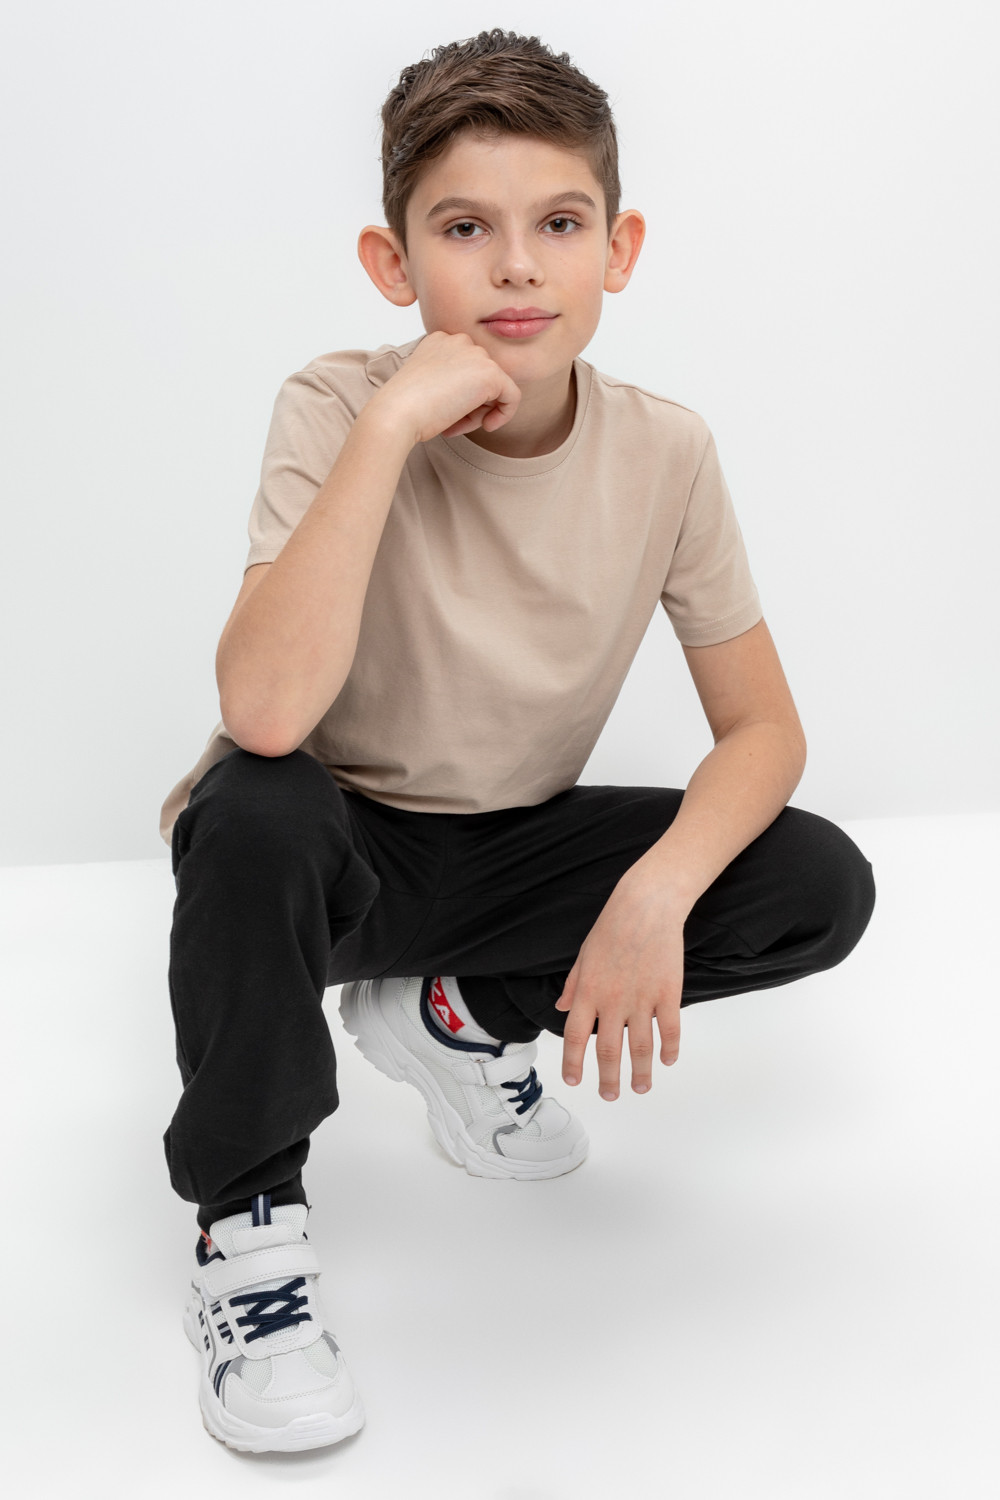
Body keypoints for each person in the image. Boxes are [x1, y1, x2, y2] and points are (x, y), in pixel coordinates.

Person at [160, 28, 876, 1454]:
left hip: (509, 845)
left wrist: (652, 896)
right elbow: (266, 713)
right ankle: (248, 1227)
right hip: (339, 856)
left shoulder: (667, 451)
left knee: (814, 880)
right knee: (251, 806)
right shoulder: (333, 404)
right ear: (394, 263)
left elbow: (763, 731)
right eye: (464, 230)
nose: (515, 269)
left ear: (619, 248)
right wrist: (391, 431)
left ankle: (461, 1015)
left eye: (557, 224)